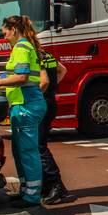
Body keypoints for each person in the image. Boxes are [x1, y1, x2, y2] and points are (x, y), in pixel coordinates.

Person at [0, 15, 46, 207]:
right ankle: (26, 190)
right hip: (24, 103)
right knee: (20, 151)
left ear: (13, 29)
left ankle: (32, 196)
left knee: (27, 152)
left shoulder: (21, 47)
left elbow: (21, 77)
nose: (4, 37)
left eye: (5, 33)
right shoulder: (25, 46)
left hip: (26, 104)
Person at [38, 49, 72, 203]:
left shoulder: (34, 55)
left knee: (39, 147)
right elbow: (62, 70)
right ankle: (51, 186)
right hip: (51, 101)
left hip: (42, 102)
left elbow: (43, 81)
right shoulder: (47, 54)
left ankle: (56, 185)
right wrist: (53, 87)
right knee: (40, 145)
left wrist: (36, 94)